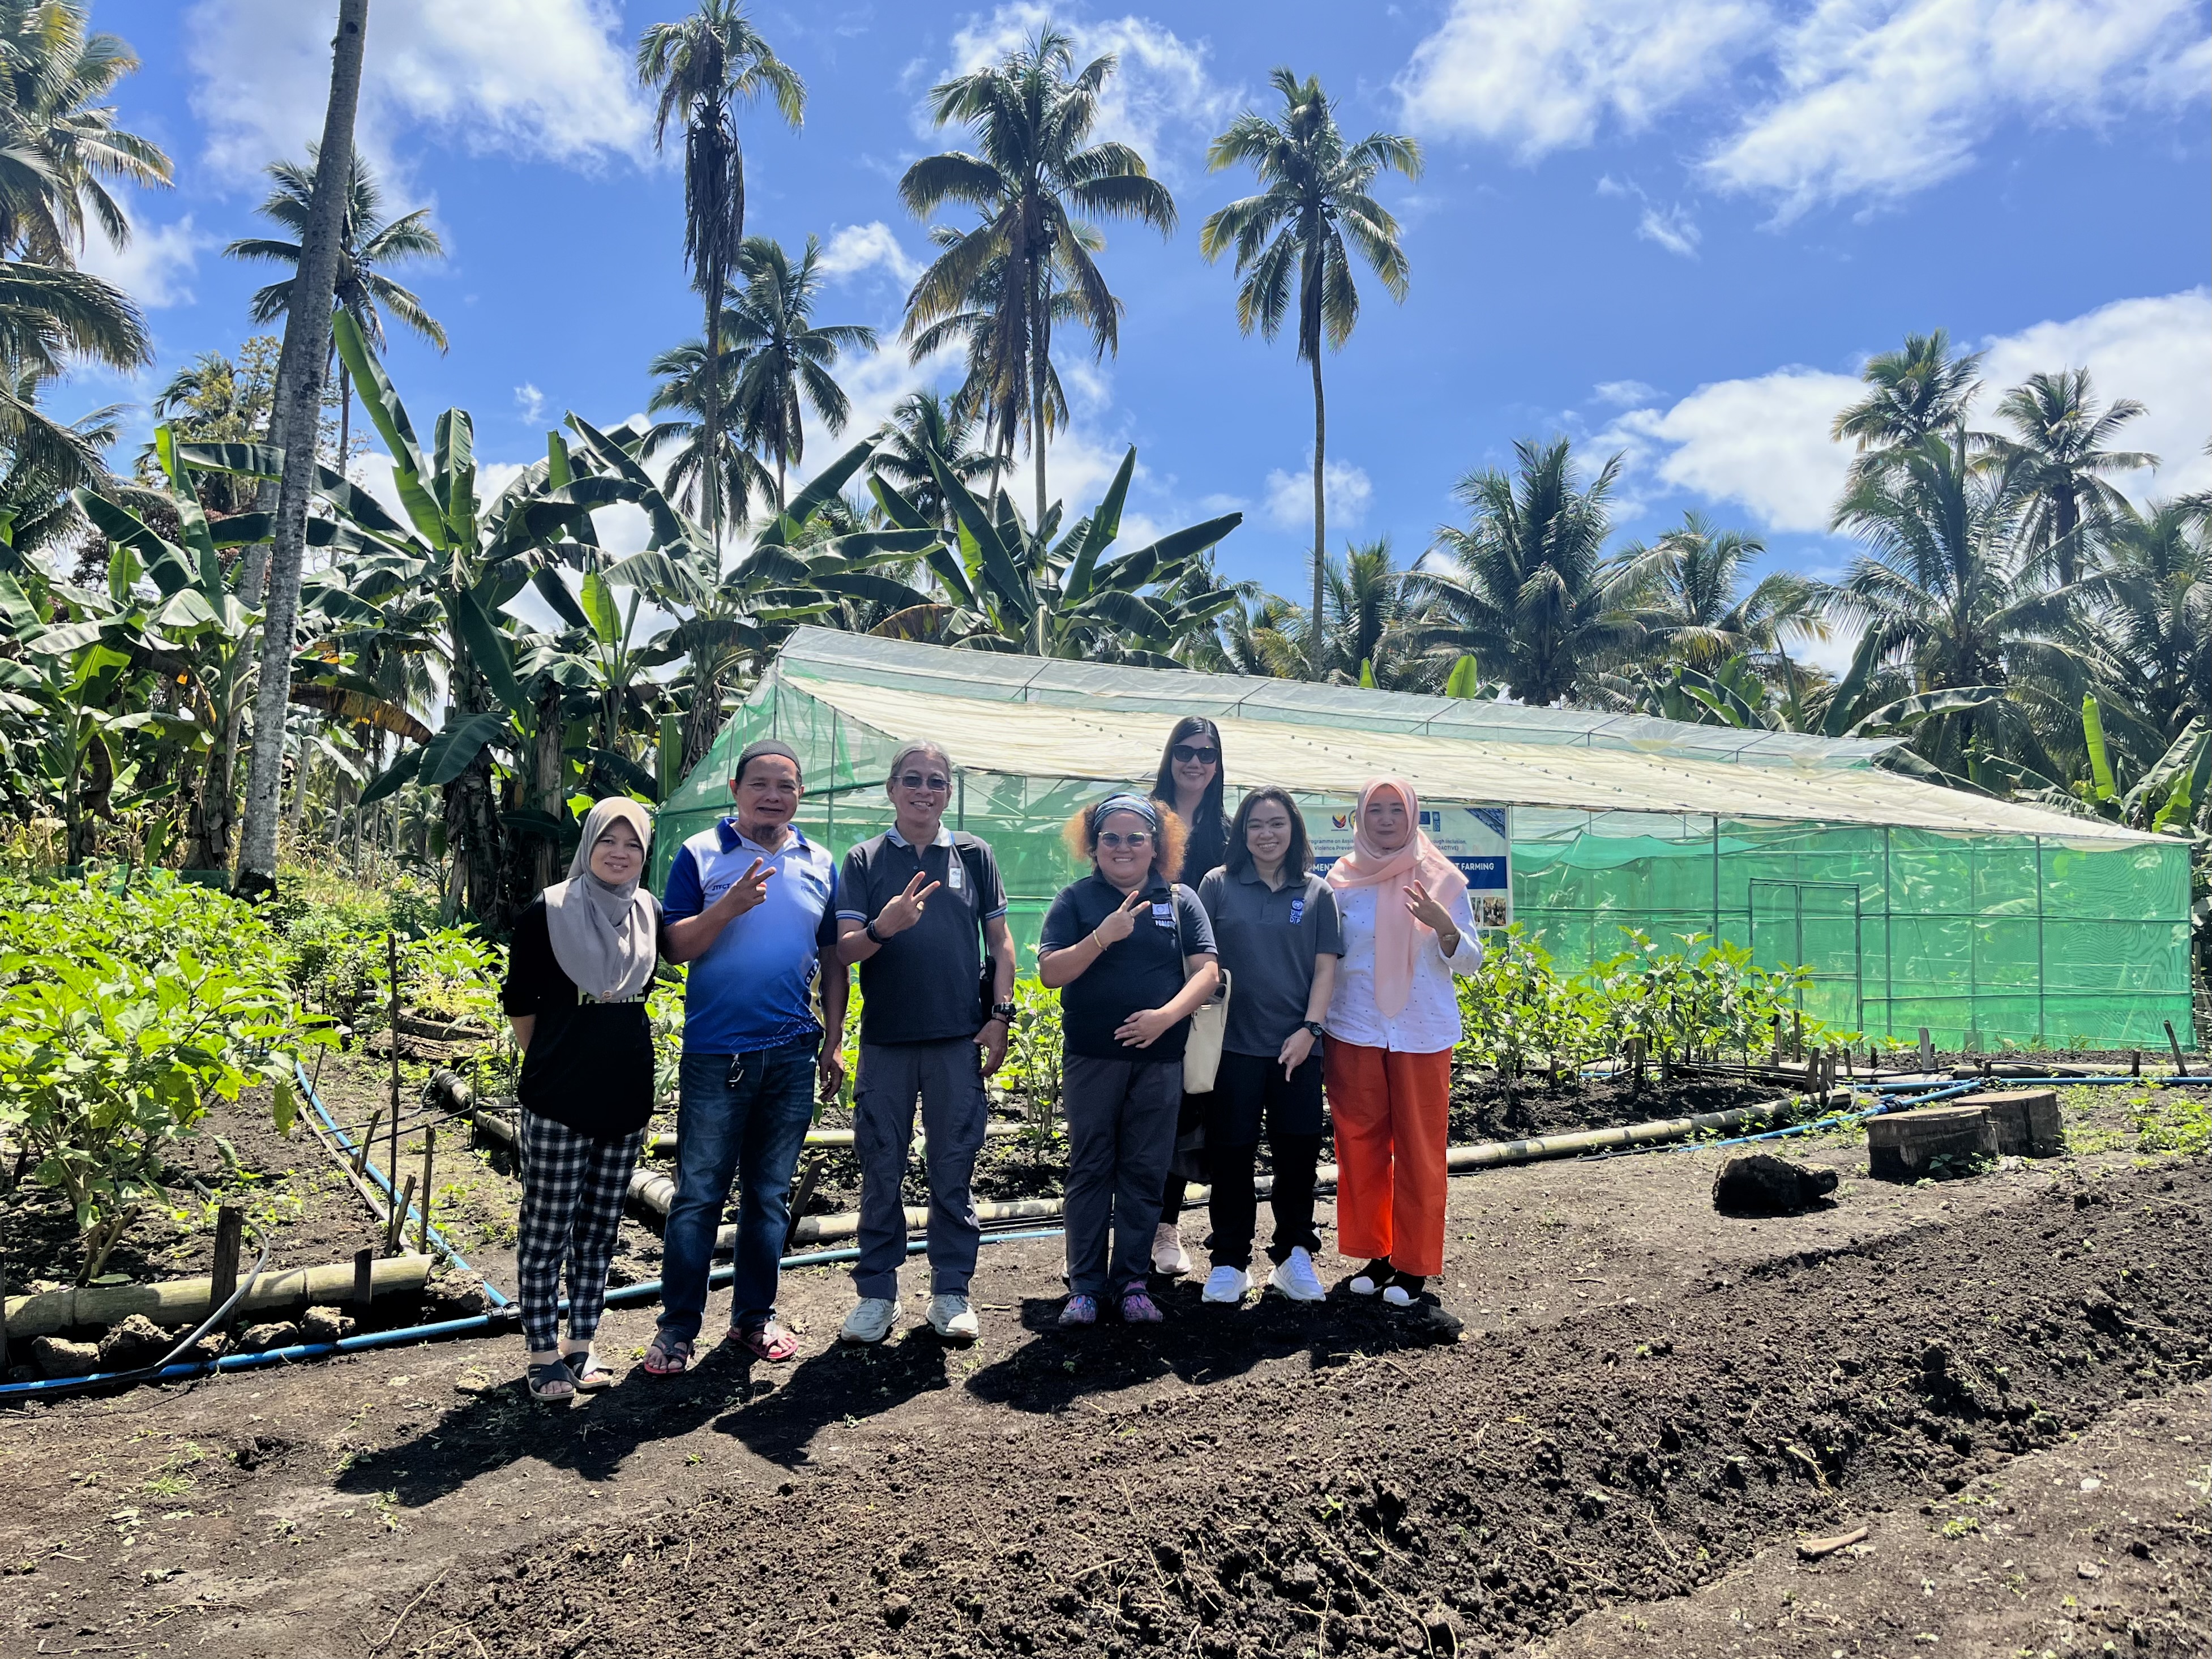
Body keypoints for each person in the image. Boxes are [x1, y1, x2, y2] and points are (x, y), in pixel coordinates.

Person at [645, 739, 848, 1374]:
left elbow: (835, 956)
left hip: (791, 1052)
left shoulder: (819, 860)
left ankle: (752, 1319)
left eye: (784, 785)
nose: (771, 794)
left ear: (799, 796)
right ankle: (677, 1327)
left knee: (769, 1195)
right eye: (759, 783)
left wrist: (836, 1036)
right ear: (735, 789)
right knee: (699, 1194)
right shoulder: (700, 854)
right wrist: (726, 907)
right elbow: (674, 946)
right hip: (716, 1052)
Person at [833, 740, 1017, 1346]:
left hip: (956, 1040)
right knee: (880, 1165)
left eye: (936, 781)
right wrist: (885, 925)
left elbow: (1001, 942)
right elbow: (846, 948)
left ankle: (950, 1289)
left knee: (953, 1166)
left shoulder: (973, 854)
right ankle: (876, 1293)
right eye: (911, 779)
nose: (924, 790)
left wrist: (1000, 1015)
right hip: (887, 1041)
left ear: (947, 793)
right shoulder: (863, 859)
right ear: (891, 789)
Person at [500, 798, 664, 1401]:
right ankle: (542, 1352)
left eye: (633, 845)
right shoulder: (548, 910)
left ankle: (581, 1345)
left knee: (598, 1232)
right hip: (559, 1094)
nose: (620, 853)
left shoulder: (647, 911)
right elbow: (521, 1003)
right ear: (588, 844)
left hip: (625, 1093)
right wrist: (555, 1056)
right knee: (546, 1230)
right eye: (608, 841)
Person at [1038, 794, 1218, 1327]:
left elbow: (1207, 973)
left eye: (1135, 837)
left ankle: (1132, 1281)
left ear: (1156, 845)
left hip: (1160, 1059)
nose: (1123, 847)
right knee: (1091, 1168)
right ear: (1092, 846)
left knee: (1144, 1169)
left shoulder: (1181, 900)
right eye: (1110, 838)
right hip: (1092, 1059)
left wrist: (1165, 1017)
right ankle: (1086, 1286)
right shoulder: (1075, 901)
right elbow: (1051, 973)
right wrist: (1101, 937)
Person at [1323, 776, 1482, 1315]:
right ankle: (1376, 1254)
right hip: (1355, 1026)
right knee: (1360, 1145)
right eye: (1375, 810)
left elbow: (1471, 962)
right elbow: (1329, 955)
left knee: (1419, 1149)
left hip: (1420, 1031)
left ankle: (1414, 1264)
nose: (1385, 820)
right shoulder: (1341, 881)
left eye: (1396, 810)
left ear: (1412, 816)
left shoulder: (1442, 879)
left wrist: (1445, 930)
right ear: (1360, 818)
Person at [1194, 788, 1342, 1305]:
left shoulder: (1318, 893)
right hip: (1231, 1046)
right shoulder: (1217, 885)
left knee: (1297, 1154)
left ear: (1294, 830)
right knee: (1230, 1155)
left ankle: (1293, 1255)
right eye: (1255, 825)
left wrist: (1310, 1029)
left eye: (1276, 823)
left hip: (1296, 1048)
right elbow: (1200, 959)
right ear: (1242, 833)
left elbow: (1326, 966)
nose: (1266, 834)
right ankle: (1230, 1261)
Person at [1149, 716, 1229, 1277]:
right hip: (1149, 976)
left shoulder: (1229, 829)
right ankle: (1117, 1229)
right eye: (1185, 750)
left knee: (1190, 1103)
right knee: (1140, 1104)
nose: (1195, 760)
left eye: (1206, 752)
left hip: (1207, 986)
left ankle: (1164, 1226)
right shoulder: (1143, 818)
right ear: (1170, 756)